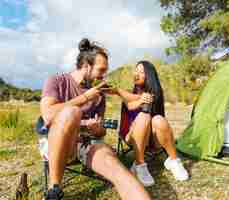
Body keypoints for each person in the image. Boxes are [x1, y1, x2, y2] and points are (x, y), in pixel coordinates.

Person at [40, 38, 151, 200]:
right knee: (72, 112)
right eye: (101, 70)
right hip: (58, 143)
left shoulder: (98, 95)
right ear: (86, 66)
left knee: (119, 172)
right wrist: (84, 97)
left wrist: (97, 129)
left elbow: (101, 132)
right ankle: (54, 189)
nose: (104, 75)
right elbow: (48, 115)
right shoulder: (57, 81)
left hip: (87, 143)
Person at [115, 60, 189, 187]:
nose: (136, 73)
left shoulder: (155, 93)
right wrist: (140, 100)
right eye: (136, 70)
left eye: (141, 71)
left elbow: (156, 118)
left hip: (152, 139)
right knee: (143, 117)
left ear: (149, 76)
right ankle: (139, 165)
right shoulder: (128, 93)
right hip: (131, 135)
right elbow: (130, 105)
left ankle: (173, 161)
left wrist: (148, 99)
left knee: (158, 119)